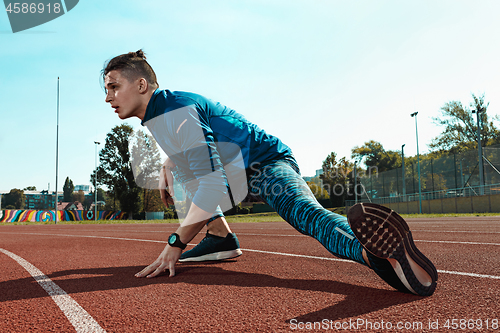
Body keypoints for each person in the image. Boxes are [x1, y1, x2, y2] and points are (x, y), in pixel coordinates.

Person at [102, 50, 438, 296]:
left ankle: (375, 253)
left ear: (142, 84)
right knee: (184, 171)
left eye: (114, 87)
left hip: (265, 164)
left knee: (305, 214)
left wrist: (176, 242)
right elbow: (200, 151)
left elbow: (214, 183)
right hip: (238, 176)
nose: (108, 98)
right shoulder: (161, 113)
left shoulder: (175, 110)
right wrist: (168, 164)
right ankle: (221, 239)